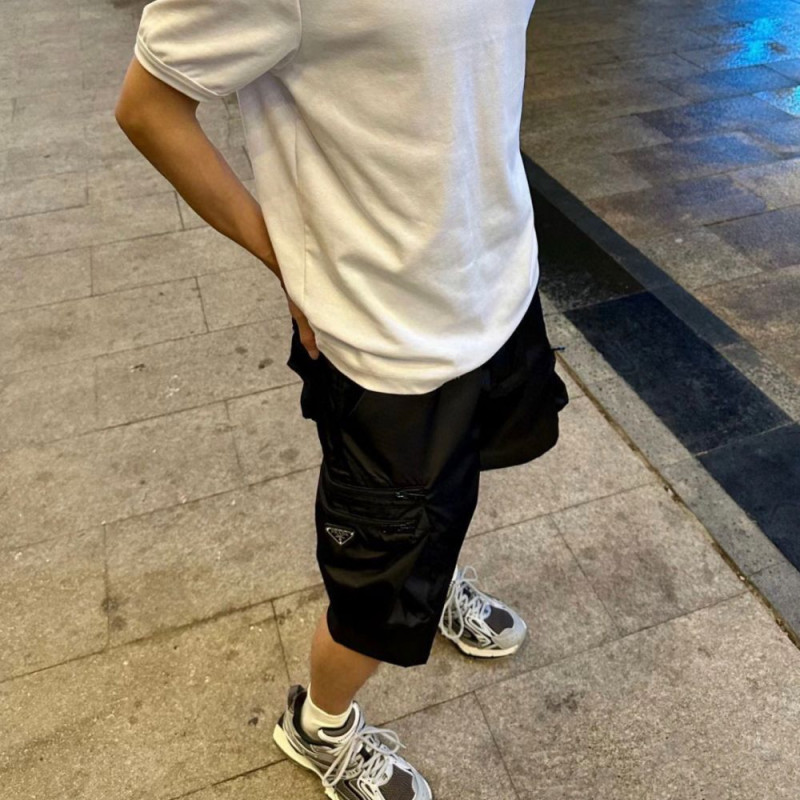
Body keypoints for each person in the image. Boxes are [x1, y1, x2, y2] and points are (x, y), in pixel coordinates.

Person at [115, 0, 569, 796]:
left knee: (449, 493)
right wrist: (282, 257)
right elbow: (149, 106)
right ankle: (319, 725)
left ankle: (434, 572)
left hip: (498, 274)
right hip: (383, 330)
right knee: (374, 596)